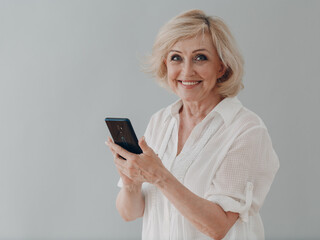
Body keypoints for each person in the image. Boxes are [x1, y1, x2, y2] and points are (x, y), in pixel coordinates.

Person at [105, 9, 279, 240]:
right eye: (176, 57)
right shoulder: (160, 121)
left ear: (221, 66)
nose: (186, 71)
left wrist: (160, 176)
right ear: (165, 63)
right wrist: (131, 182)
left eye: (200, 57)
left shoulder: (246, 130)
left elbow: (218, 227)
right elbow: (130, 213)